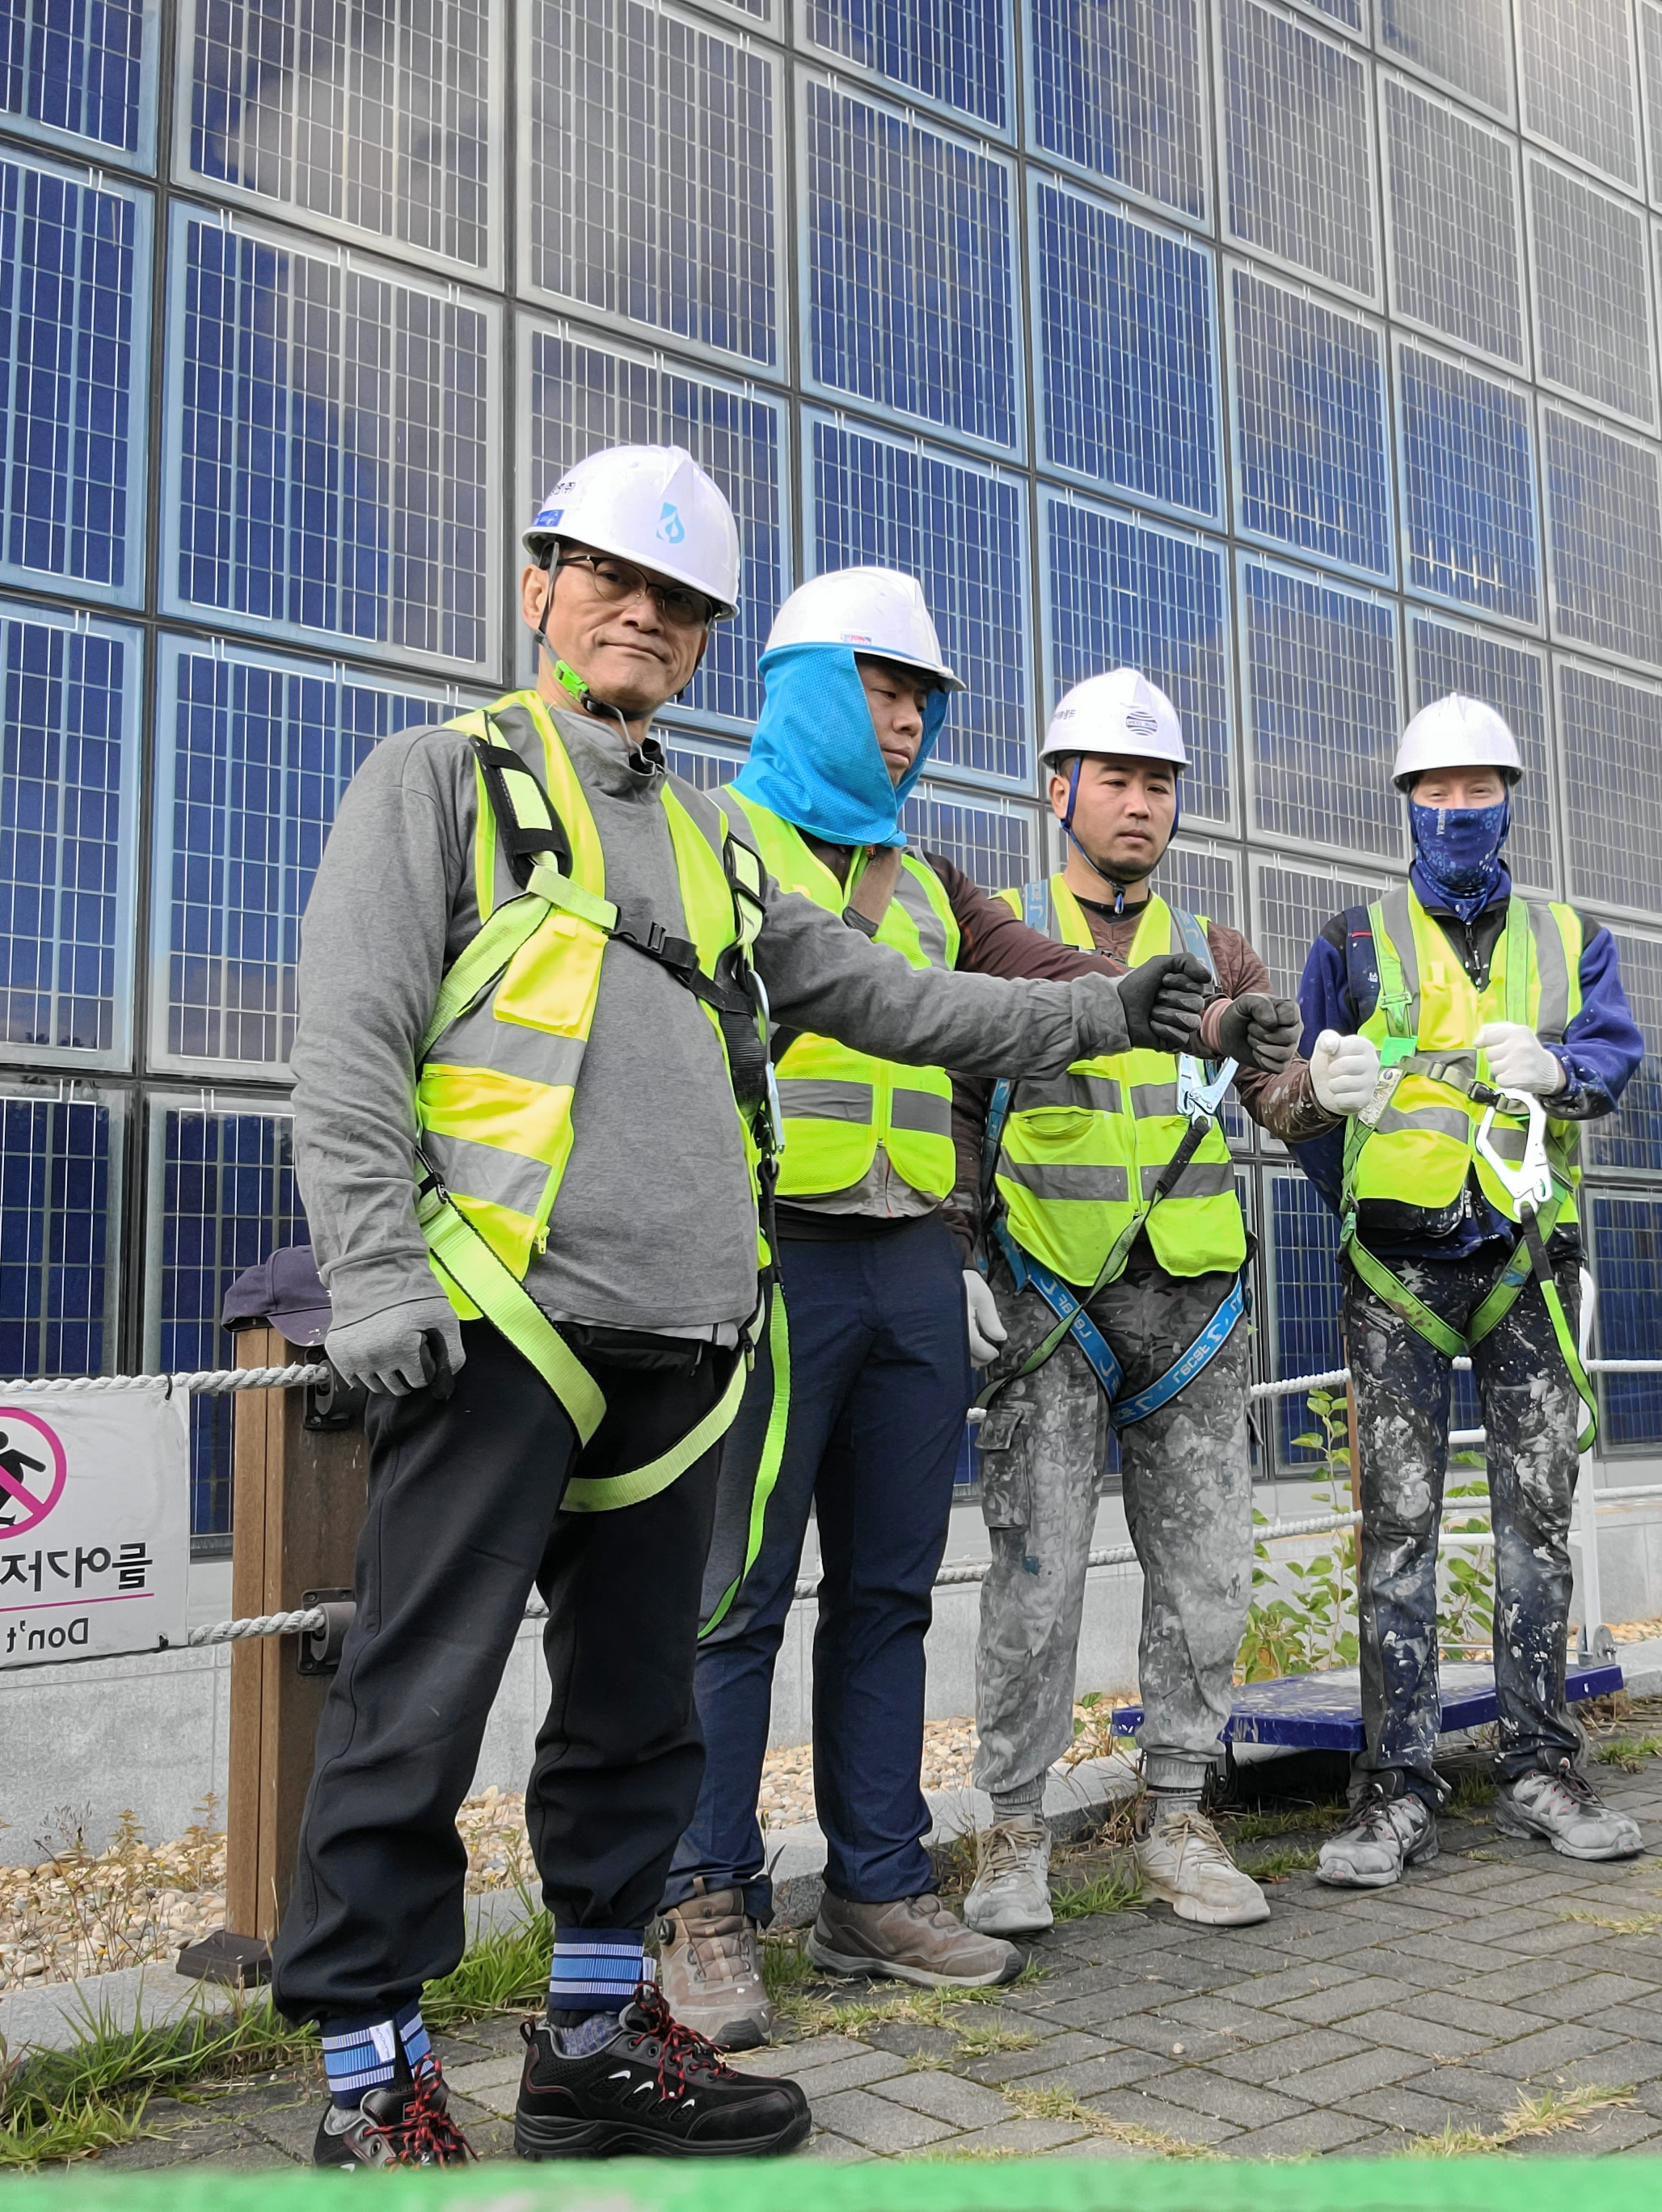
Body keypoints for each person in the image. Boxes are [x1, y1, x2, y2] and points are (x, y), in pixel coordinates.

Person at [282, 451, 1209, 2167]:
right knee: (415, 1707)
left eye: (679, 601)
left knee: (637, 1719)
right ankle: (372, 2082)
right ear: (542, 585)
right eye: (611, 581)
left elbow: (900, 1003)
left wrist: (1108, 1012)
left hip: (685, 1347)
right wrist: (376, 1270)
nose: (642, 616)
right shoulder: (441, 779)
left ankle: (592, 2045)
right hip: (499, 1330)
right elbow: (350, 1038)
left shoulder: (715, 845)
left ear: (707, 639)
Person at [653, 575, 1221, 2038]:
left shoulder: (931, 884)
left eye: (922, 699)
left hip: (914, 1259)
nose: (906, 721)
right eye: (879, 689)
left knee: (891, 1590)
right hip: (771, 1255)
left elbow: (1055, 973)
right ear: (802, 690)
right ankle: (701, 1901)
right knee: (733, 1593)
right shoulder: (713, 840)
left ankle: (876, 1888)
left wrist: (1210, 1016)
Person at [1248, 698, 1646, 1889]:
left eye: (1480, 790)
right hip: (1397, 1271)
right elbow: (1294, 1105)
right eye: (1438, 791)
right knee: (1397, 1531)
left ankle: (1542, 1764)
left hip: (1528, 1259)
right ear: (1407, 802)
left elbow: (1616, 1058)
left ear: (1509, 799)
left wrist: (1562, 1070)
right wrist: (1337, 1128)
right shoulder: (1350, 940)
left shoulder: (1571, 936)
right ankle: (1395, 1789)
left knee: (1538, 1523)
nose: (1459, 810)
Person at [950, 670, 1302, 1939]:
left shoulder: (1222, 951)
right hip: (1049, 1302)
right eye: (1116, 779)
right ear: (1060, 790)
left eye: (1160, 783)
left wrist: (1327, 1085)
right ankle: (1011, 1834)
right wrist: (957, 1252)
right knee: (1033, 1580)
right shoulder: (1000, 931)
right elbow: (957, 1100)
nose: (1141, 803)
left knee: (1206, 1578)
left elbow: (1280, 1103)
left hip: (1194, 1311)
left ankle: (1181, 1822)